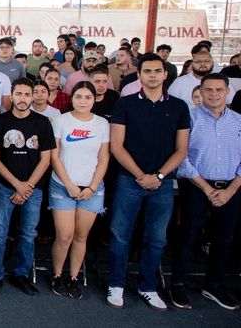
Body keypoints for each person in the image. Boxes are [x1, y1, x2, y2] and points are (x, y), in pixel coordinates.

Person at [106, 53, 190, 311]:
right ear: (139, 75)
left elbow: (181, 150)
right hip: (129, 181)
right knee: (121, 235)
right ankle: (116, 283)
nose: (152, 75)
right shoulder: (126, 104)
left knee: (156, 239)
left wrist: (159, 176)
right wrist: (141, 175)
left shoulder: (179, 106)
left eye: (157, 71)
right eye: (147, 71)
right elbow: (117, 146)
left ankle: (148, 286)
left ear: (165, 75)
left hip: (162, 185)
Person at [169, 73, 241, 310]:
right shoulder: (188, 118)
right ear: (200, 92)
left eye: (219, 90)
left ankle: (214, 285)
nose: (213, 94)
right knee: (188, 235)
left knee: (224, 238)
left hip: (230, 187)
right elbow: (182, 156)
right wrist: (207, 187)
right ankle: (178, 283)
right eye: (208, 90)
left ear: (227, 92)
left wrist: (231, 190)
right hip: (197, 185)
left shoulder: (239, 121)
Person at [0, 77, 55, 297]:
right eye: (19, 94)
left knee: (28, 233)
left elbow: (46, 159)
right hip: (6, 186)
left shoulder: (43, 123)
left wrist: (28, 186)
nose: (23, 99)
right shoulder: (0, 122)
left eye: (27, 94)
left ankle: (21, 274)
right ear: (11, 95)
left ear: (33, 96)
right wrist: (17, 185)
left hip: (33, 189)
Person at [48, 81, 110, 299]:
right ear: (71, 98)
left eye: (87, 97)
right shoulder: (60, 120)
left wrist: (93, 186)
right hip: (62, 185)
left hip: (92, 188)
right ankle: (57, 275)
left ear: (94, 99)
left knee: (81, 236)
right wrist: (69, 185)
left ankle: (74, 277)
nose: (83, 101)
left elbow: (103, 158)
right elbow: (54, 156)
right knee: (64, 236)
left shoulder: (102, 124)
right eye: (78, 96)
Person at [169, 50, 235, 108]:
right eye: (198, 62)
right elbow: (170, 104)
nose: (203, 64)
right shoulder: (180, 81)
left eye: (206, 61)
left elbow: (230, 104)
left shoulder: (222, 81)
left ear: (212, 63)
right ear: (192, 64)